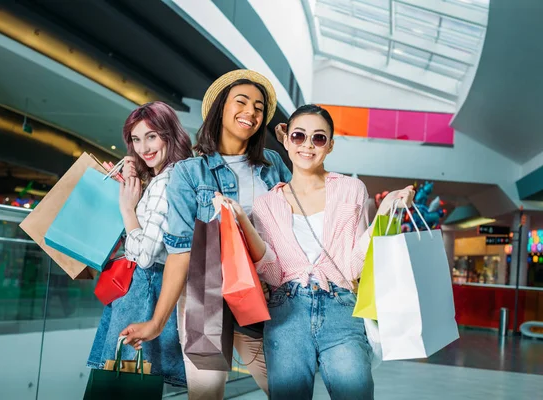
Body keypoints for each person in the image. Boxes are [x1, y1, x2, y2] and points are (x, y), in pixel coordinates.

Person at [214, 104, 415, 399]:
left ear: (330, 145)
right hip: (286, 315)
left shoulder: (351, 189)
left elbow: (352, 266)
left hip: (341, 309)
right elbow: (272, 272)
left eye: (318, 138)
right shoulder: (266, 204)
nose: (307, 145)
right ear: (285, 140)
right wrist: (243, 220)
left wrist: (384, 214)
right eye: (299, 136)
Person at [121, 69, 291, 399]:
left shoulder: (272, 163)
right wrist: (157, 322)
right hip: (205, 298)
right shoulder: (188, 172)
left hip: (265, 293)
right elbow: (181, 251)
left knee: (286, 388)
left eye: (259, 107)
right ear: (220, 110)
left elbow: (302, 215)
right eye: (241, 102)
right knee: (206, 395)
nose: (251, 112)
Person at [86, 101, 192, 387]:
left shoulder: (166, 181)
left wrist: (128, 209)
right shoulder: (168, 177)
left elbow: (145, 256)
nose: (143, 147)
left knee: (119, 379)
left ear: (169, 134)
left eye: (151, 136)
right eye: (136, 138)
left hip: (142, 289)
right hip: (144, 290)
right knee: (130, 380)